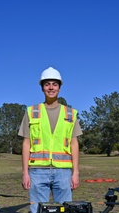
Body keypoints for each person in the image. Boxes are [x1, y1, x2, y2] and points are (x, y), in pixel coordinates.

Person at [18, 67, 82, 213]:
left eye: (54, 84)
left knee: (65, 210)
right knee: (37, 210)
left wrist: (75, 172)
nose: (51, 87)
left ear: (59, 87)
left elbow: (74, 143)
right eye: (47, 84)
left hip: (63, 171)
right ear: (42, 88)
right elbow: (26, 143)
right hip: (37, 171)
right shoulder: (32, 112)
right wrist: (25, 173)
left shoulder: (70, 113)